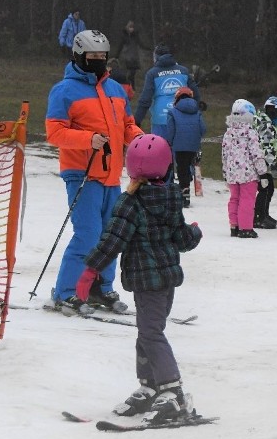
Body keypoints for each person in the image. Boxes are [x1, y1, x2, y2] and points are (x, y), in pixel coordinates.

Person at [74, 134, 203, 422]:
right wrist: (194, 232)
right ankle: (150, 387)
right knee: (147, 333)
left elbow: (112, 240)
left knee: (151, 334)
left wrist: (90, 271)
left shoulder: (130, 203)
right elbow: (181, 239)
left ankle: (173, 393)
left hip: (147, 283)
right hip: (167, 281)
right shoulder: (171, 198)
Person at [45, 29, 144, 313]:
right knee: (88, 234)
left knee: (111, 235)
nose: (99, 62)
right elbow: (54, 132)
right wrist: (87, 139)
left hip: (111, 175)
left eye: (102, 57)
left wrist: (138, 138)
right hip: (82, 173)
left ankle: (101, 287)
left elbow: (126, 124)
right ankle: (66, 291)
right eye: (93, 57)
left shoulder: (115, 89)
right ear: (78, 57)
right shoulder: (64, 91)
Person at [222, 99, 268, 238]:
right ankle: (246, 228)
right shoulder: (250, 132)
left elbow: (224, 154)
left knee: (234, 199)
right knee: (247, 200)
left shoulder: (228, 133)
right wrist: (263, 173)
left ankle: (234, 226)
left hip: (232, 173)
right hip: (248, 174)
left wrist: (225, 173)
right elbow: (256, 154)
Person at [134, 44, 200, 138]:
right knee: (181, 150)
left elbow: (145, 100)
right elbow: (196, 94)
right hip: (182, 117)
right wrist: (193, 112)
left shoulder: (152, 73)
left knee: (160, 150)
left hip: (161, 119)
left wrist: (137, 121)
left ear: (156, 57)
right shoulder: (184, 71)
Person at [164, 87, 206, 208]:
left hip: (179, 145)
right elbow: (203, 129)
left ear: (177, 98)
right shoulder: (197, 112)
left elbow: (171, 131)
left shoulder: (173, 112)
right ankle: (188, 178)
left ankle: (184, 193)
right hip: (194, 145)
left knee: (181, 168)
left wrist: (170, 142)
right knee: (189, 165)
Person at [253, 95, 277, 229]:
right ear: (273, 111)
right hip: (262, 163)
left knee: (269, 188)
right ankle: (258, 217)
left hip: (266, 162)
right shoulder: (265, 125)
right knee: (265, 188)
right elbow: (266, 146)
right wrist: (271, 165)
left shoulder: (268, 123)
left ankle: (264, 214)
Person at [114, 20, 147, 88]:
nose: (131, 29)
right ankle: (129, 86)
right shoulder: (124, 36)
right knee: (128, 73)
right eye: (130, 27)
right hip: (127, 56)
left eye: (132, 27)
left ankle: (132, 85)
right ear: (127, 27)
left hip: (134, 56)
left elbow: (140, 44)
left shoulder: (135, 35)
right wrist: (116, 56)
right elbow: (120, 46)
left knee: (133, 73)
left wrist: (147, 48)